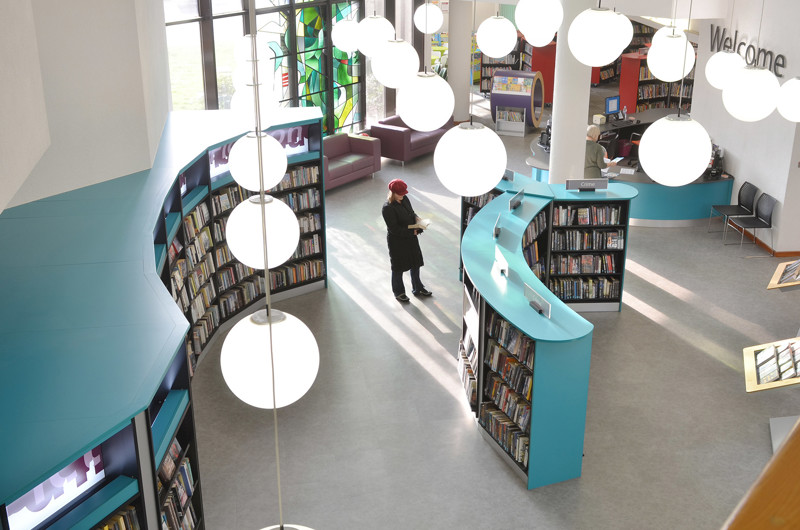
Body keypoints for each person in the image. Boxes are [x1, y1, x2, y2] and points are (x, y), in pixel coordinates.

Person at [381, 179, 432, 302]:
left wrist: (417, 218)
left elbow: (411, 212)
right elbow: (394, 229)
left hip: (411, 239)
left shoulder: (405, 199)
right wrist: (413, 231)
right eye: (400, 193)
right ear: (393, 193)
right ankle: (399, 292)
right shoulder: (387, 208)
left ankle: (418, 288)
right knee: (398, 267)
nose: (403, 195)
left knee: (415, 263)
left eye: (404, 193)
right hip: (397, 242)